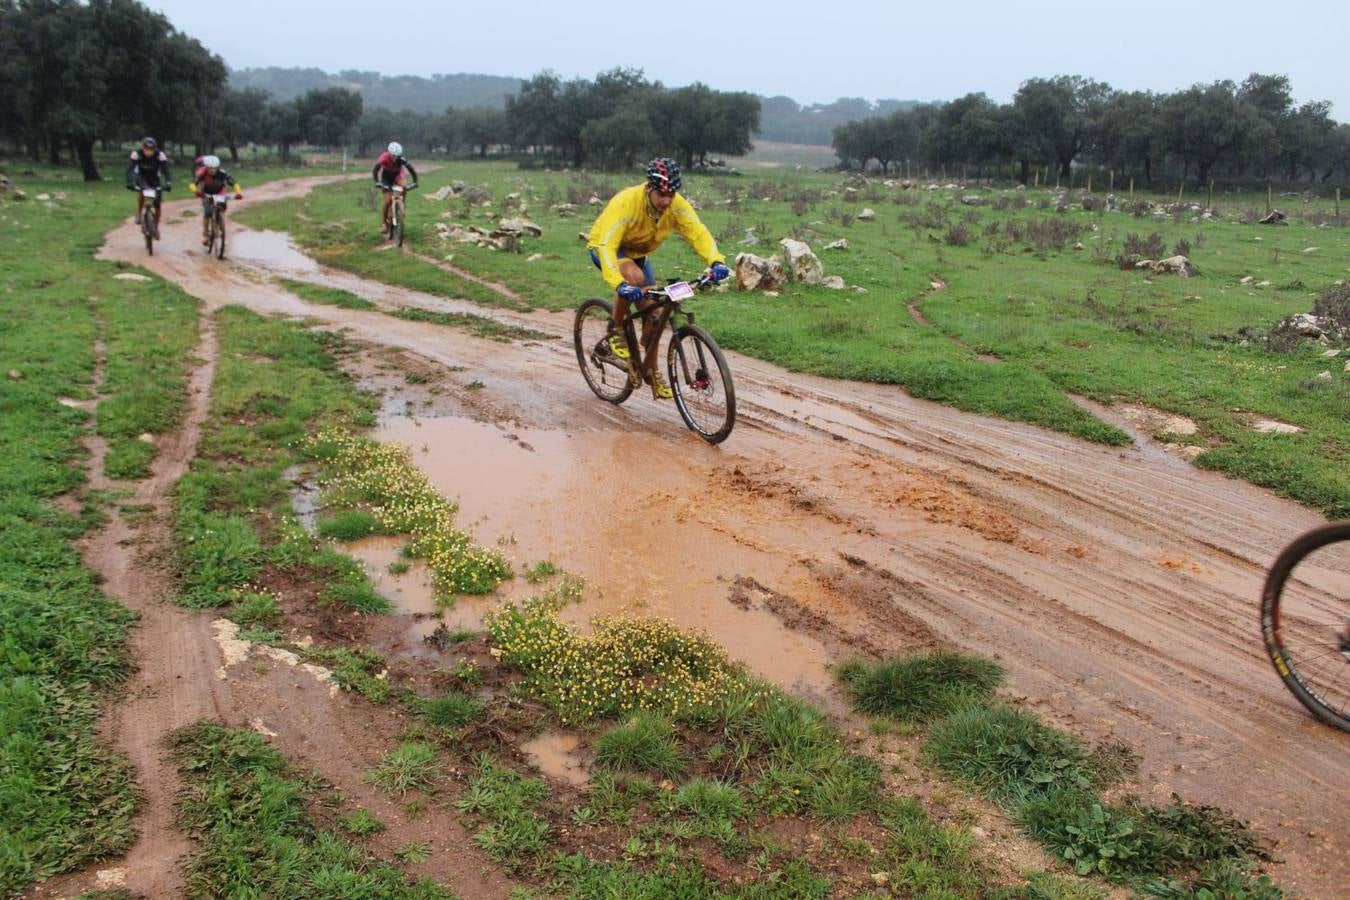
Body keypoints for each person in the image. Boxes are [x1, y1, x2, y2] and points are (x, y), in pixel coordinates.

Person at [586, 157, 731, 399]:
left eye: (671, 194)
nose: (666, 200)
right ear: (649, 188)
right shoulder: (626, 204)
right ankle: (616, 329)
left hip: (639, 253)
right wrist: (619, 284)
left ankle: (650, 372)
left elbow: (697, 232)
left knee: (653, 317)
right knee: (633, 277)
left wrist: (715, 261)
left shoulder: (675, 205)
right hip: (606, 248)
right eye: (661, 195)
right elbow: (607, 245)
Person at [190, 156, 243, 246]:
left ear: (218, 167)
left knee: (222, 208)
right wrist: (196, 191)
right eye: (210, 168)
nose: (212, 170)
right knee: (207, 212)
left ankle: (218, 223)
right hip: (206, 193)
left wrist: (238, 193)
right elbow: (193, 184)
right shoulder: (202, 173)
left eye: (215, 168)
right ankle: (206, 234)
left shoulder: (223, 173)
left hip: (220, 192)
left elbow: (234, 183)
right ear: (206, 167)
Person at [125, 137, 171, 238]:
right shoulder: (136, 154)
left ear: (155, 149)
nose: (149, 152)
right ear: (143, 148)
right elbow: (130, 169)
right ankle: (139, 213)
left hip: (154, 178)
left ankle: (156, 228)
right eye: (146, 149)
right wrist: (129, 182)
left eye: (151, 150)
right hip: (141, 177)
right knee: (141, 192)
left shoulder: (160, 155)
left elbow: (166, 170)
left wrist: (168, 182)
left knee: (157, 204)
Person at [371, 141, 419, 235]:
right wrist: (377, 182)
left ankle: (402, 206)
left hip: (398, 176)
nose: (395, 158)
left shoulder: (402, 160)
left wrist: (415, 182)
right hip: (386, 179)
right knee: (387, 201)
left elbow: (412, 170)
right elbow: (375, 170)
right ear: (389, 153)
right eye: (393, 155)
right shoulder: (384, 158)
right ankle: (384, 223)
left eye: (397, 156)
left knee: (404, 187)